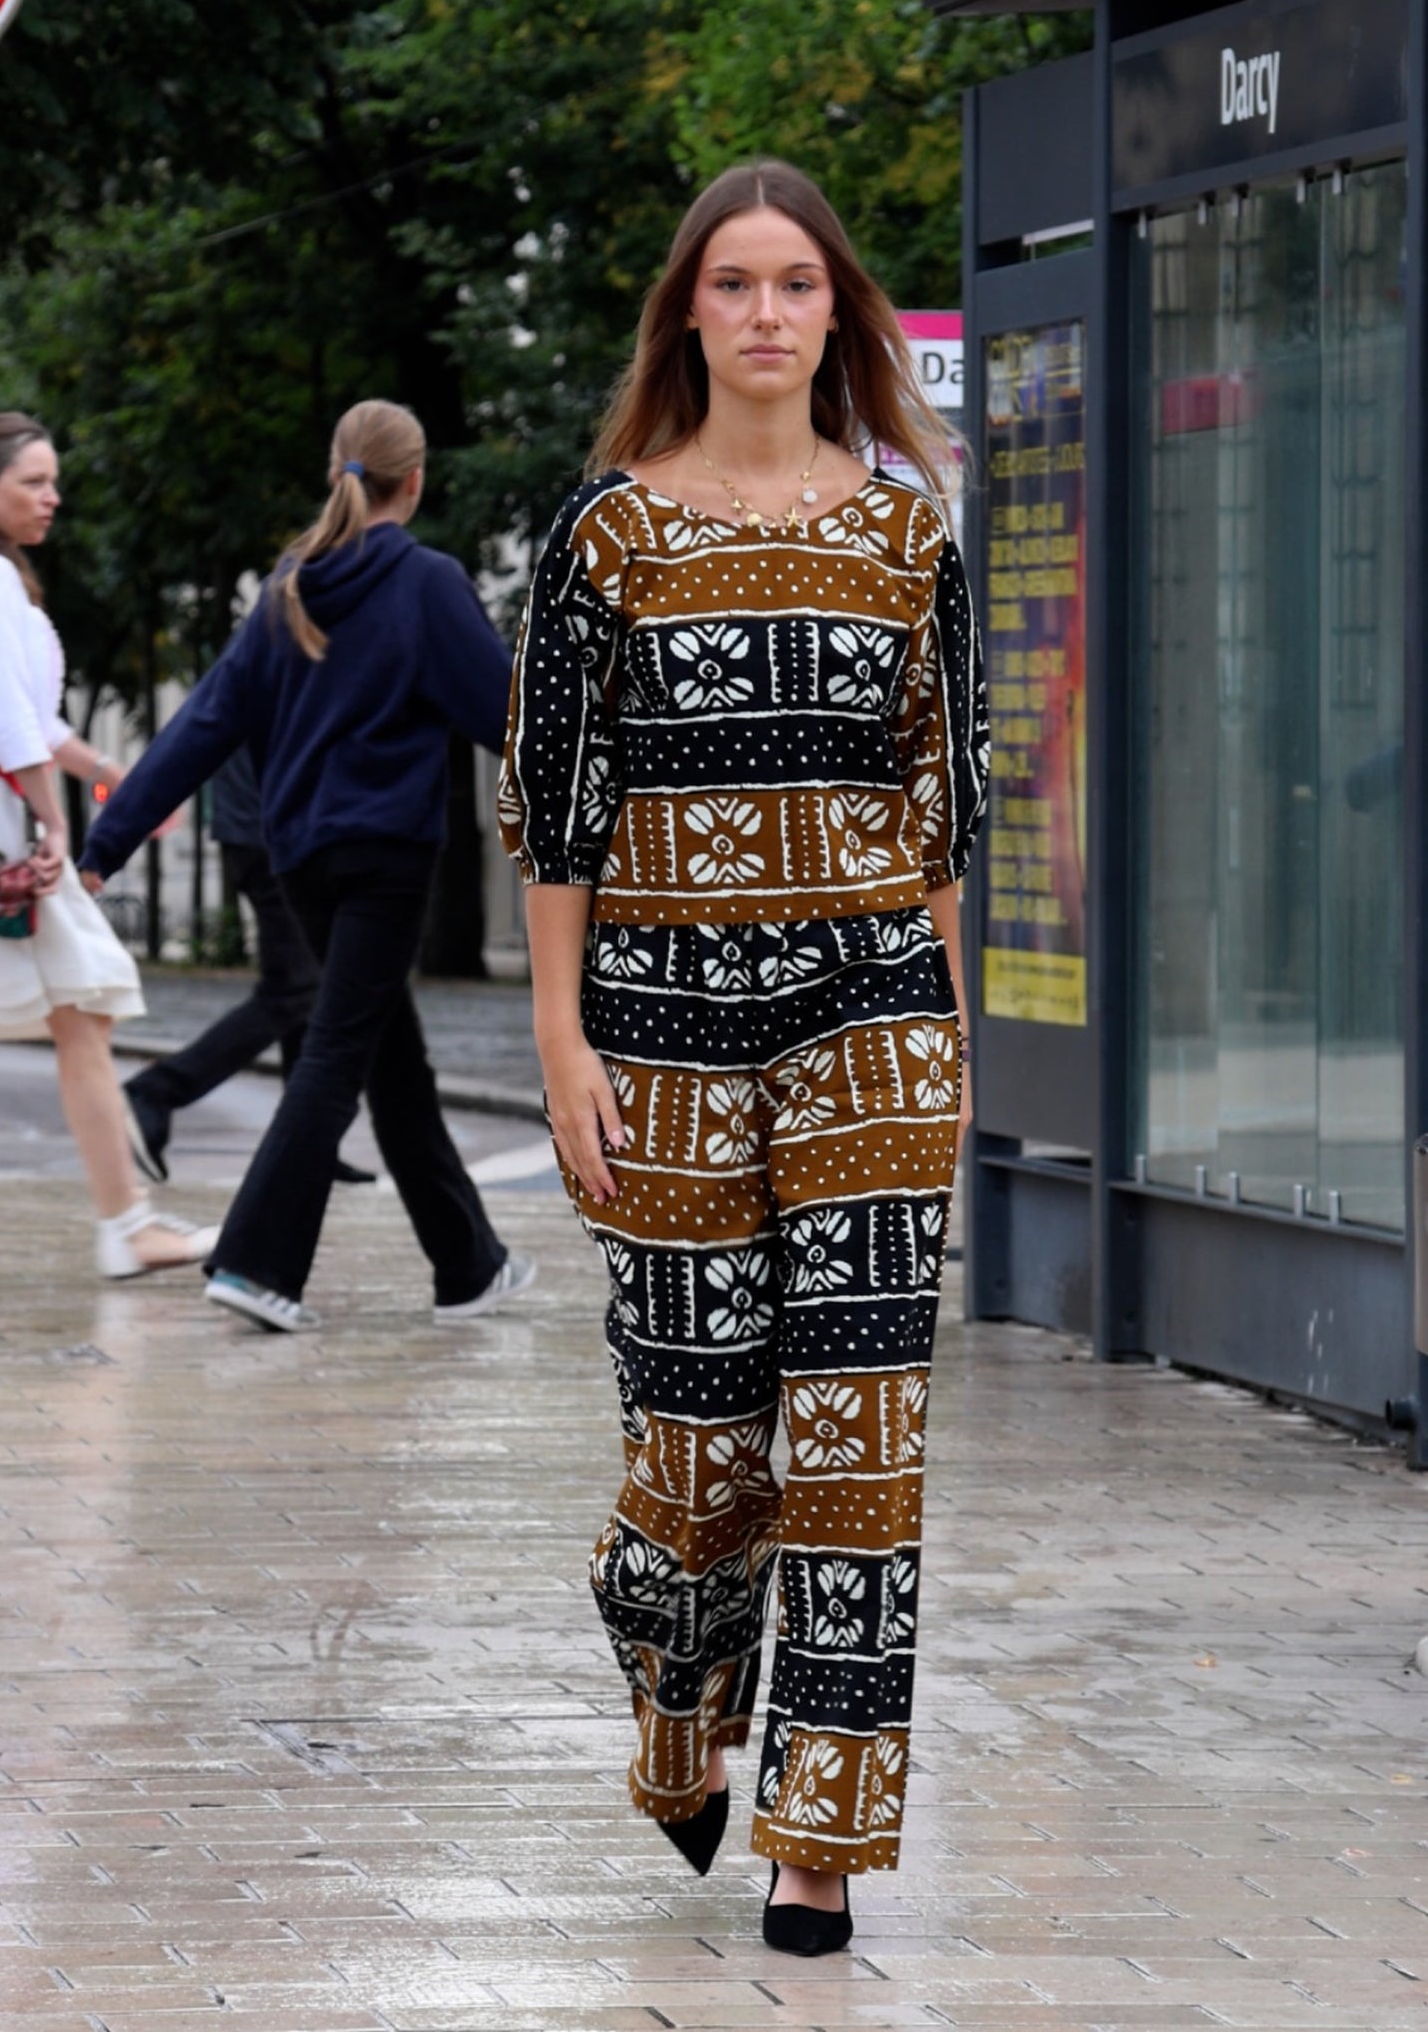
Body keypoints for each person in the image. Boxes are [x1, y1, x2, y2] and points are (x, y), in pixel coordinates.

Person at [499, 161, 989, 1955]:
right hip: (657, 1027)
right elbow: (556, 813)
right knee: (698, 1441)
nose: (768, 312)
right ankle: (676, 1685)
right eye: (735, 283)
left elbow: (945, 814)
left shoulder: (912, 537)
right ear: (688, 314)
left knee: (859, 1442)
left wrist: (947, 1044)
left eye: (798, 283)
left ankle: (821, 1838)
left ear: (838, 313)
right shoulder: (606, 538)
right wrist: (561, 1037)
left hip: (872, 1021)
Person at [82, 397, 533, 1335]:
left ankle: (468, 1266)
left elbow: (201, 726)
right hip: (384, 858)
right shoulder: (426, 583)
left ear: (337, 472)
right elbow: (509, 718)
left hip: (299, 861)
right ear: (415, 482)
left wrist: (105, 847)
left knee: (391, 1060)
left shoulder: (287, 590)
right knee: (336, 1054)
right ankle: (257, 1265)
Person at [0, 410, 217, 1281]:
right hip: (2, 829)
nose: (52, 497)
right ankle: (127, 1225)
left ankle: (128, 1222)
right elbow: (13, 724)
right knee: (83, 1013)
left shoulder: (1, 580)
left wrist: (116, 777)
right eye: (32, 482)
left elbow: (37, 725)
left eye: (53, 480)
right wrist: (53, 825)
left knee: (83, 1015)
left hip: (4, 817)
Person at [120, 744, 375, 1190]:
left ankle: (308, 1143)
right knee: (295, 989)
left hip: (270, 829)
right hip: (272, 834)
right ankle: (157, 1090)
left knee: (307, 990)